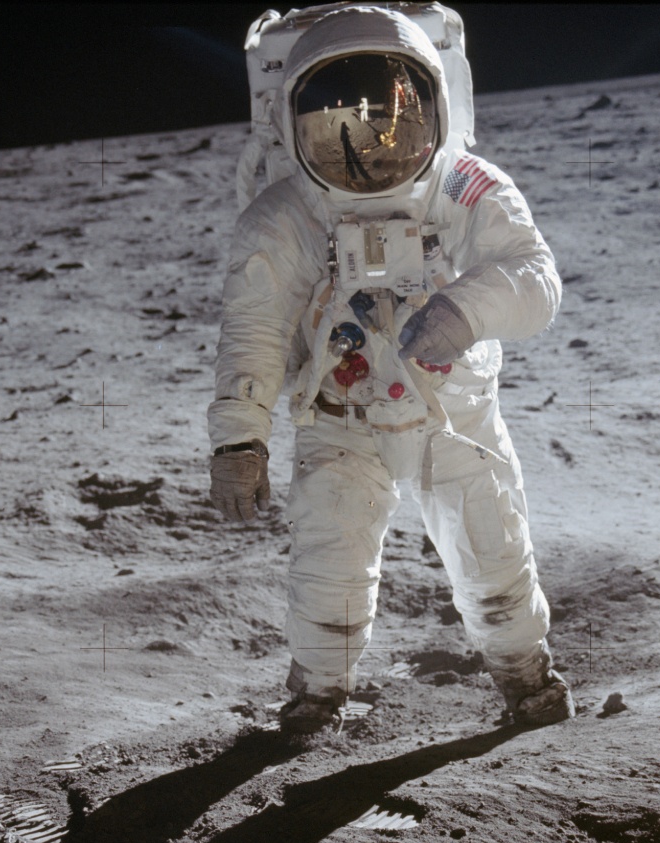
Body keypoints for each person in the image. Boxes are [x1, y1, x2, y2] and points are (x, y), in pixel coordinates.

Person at [207, 3, 575, 736]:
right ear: (295, 125)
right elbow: (253, 330)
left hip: (451, 414)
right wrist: (238, 439)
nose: (369, 149)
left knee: (492, 552)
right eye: (334, 126)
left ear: (431, 104)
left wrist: (467, 311)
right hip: (339, 420)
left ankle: (526, 678)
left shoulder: (465, 187)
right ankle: (317, 696)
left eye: (393, 118)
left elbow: (536, 278)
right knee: (329, 565)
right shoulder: (288, 217)